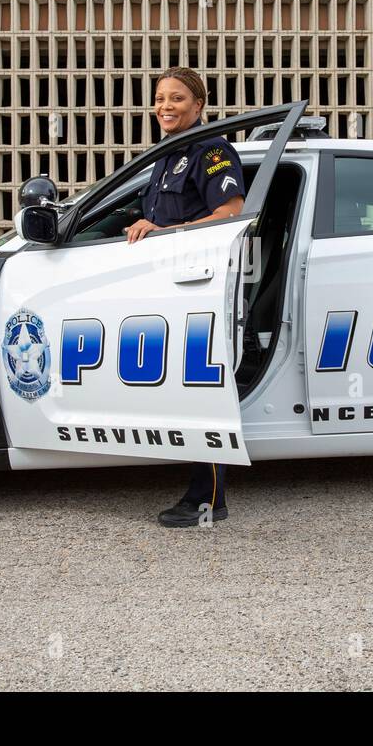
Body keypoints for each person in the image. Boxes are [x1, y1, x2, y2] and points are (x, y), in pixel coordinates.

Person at [125, 66, 246, 528]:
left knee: (199, 389)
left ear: (199, 105)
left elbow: (229, 212)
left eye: (177, 99)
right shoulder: (166, 155)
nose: (165, 107)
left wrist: (165, 231)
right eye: (160, 98)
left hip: (201, 284)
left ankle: (208, 499)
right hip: (170, 286)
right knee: (181, 386)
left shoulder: (210, 150)